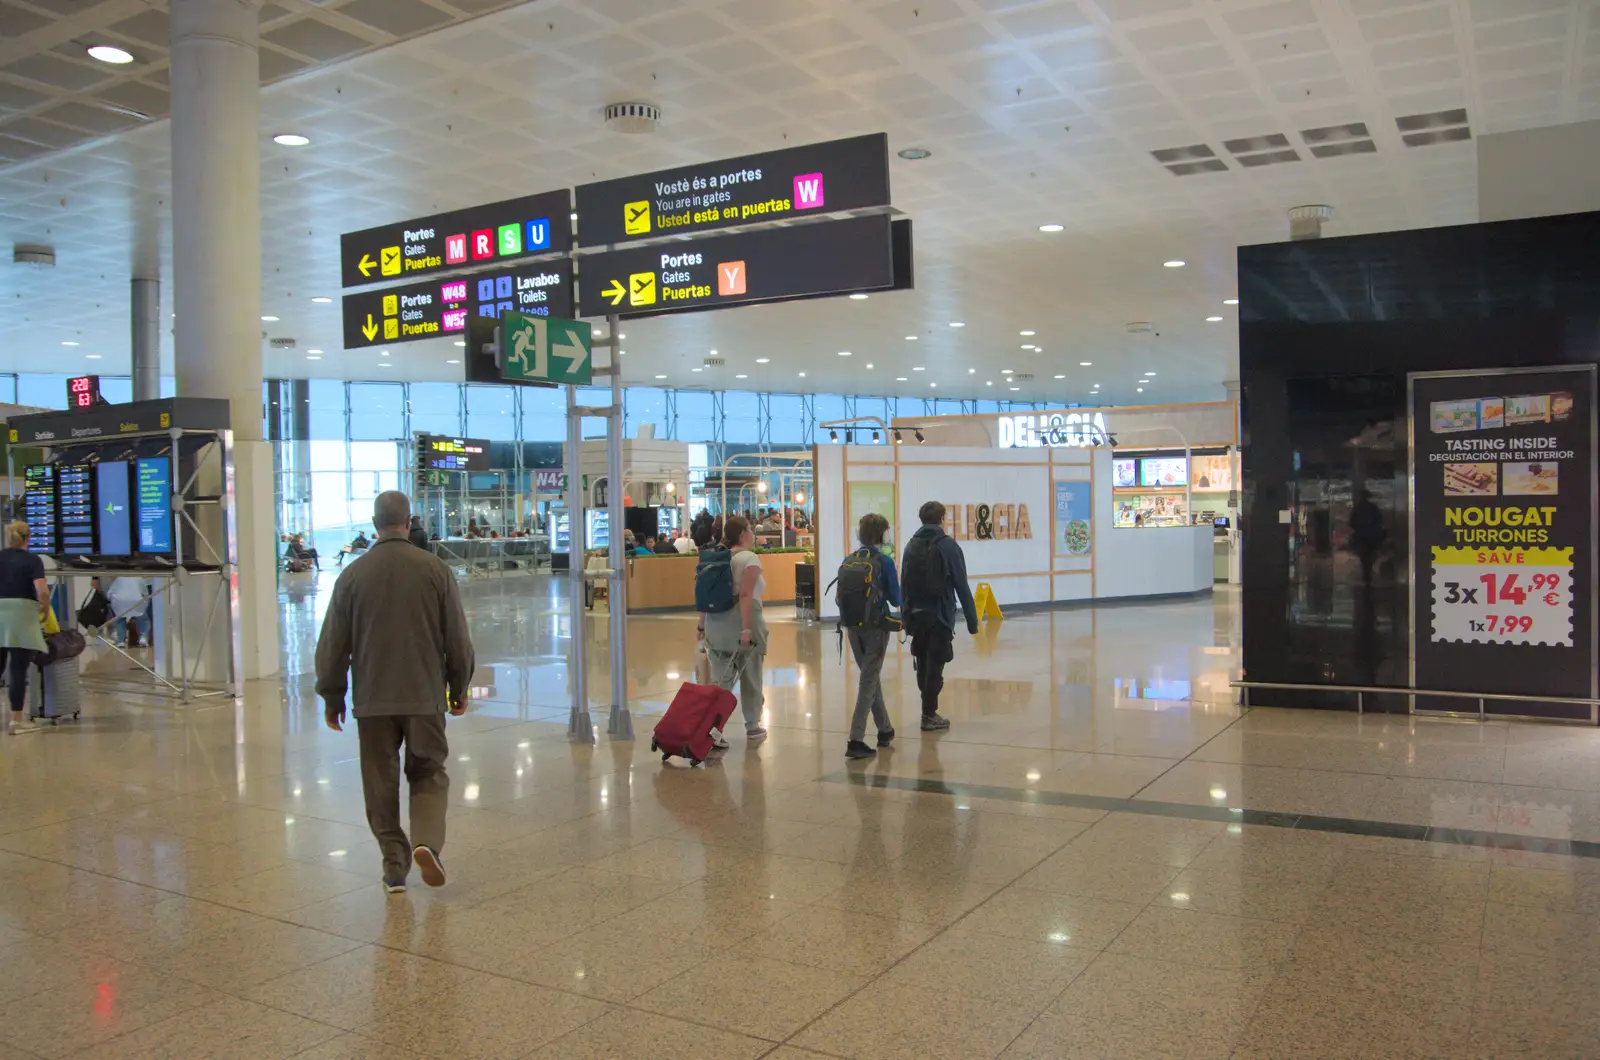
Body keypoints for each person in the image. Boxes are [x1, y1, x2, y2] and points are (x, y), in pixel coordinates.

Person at [315, 492, 475, 894]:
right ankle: (426, 843)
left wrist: (333, 696)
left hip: (373, 700)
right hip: (424, 696)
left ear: (374, 524)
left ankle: (394, 867)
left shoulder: (352, 575)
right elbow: (457, 637)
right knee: (428, 773)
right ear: (409, 521)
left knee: (379, 781)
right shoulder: (435, 570)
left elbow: (332, 644)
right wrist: (459, 687)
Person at [900, 501, 978, 731]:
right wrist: (973, 623)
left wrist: (905, 617)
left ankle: (928, 710)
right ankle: (929, 714)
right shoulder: (949, 546)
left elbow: (904, 584)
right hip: (940, 615)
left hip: (916, 615)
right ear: (942, 519)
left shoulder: (910, 545)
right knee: (936, 663)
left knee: (923, 661)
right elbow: (961, 585)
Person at [700, 515, 768, 743]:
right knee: (751, 677)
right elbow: (746, 595)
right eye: (750, 529)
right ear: (742, 534)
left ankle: (711, 731)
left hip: (715, 626)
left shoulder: (715, 559)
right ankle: (752, 725)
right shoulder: (750, 559)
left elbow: (704, 596)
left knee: (720, 683)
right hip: (742, 625)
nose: (752, 533)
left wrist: (701, 626)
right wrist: (746, 630)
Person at [844, 513, 900, 759]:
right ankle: (855, 739)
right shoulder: (884, 562)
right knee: (868, 681)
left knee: (870, 676)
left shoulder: (849, 559)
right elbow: (896, 599)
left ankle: (885, 729)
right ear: (884, 534)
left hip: (852, 627)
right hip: (876, 627)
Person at [0, 523, 47, 735]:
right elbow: (42, 590)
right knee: (18, 669)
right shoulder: (32, 560)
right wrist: (45, 609)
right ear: (28, 538)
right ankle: (16, 721)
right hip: (21, 614)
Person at [1350, 490, 1385, 586]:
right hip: (1372, 536)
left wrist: (1358, 529)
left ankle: (1366, 574)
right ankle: (1368, 573)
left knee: (1364, 556)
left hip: (1361, 536)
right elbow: (1379, 521)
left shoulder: (1357, 508)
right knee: (1370, 555)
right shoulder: (1373, 508)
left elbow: (1352, 522)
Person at [107, 576, 148, 648]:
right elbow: (145, 593)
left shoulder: (118, 579)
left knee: (120, 620)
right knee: (143, 619)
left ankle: (121, 641)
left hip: (120, 602)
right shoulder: (139, 578)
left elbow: (109, 594)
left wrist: (112, 602)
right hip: (136, 602)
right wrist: (145, 604)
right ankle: (143, 638)